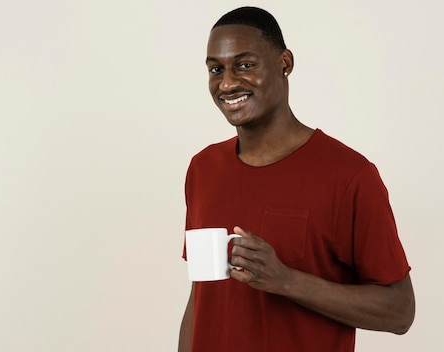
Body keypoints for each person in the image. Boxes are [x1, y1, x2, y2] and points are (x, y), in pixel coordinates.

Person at [178, 6, 415, 352]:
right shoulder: (203, 169)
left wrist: (286, 281)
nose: (227, 83)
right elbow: (199, 299)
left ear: (284, 63)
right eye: (216, 69)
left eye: (245, 64)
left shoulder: (350, 175)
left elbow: (400, 312)